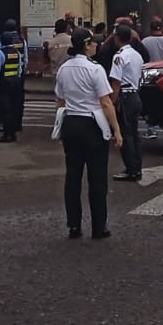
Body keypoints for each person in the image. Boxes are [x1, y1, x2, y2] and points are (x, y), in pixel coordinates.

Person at [54, 28, 121, 240]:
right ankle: (99, 227)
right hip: (92, 124)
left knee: (73, 176)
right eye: (93, 42)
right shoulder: (95, 69)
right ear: (86, 44)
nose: (96, 45)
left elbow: (60, 99)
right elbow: (105, 101)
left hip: (71, 123)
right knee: (97, 178)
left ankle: (74, 225)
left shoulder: (64, 68)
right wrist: (116, 130)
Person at [107, 23, 145, 183]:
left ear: (117, 38)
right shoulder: (137, 55)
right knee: (134, 135)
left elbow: (116, 83)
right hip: (135, 95)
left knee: (125, 135)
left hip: (125, 97)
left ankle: (131, 169)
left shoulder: (119, 56)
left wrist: (112, 103)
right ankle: (137, 167)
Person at [0, 19, 25, 143]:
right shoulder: (19, 47)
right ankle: (15, 128)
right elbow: (22, 63)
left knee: (5, 109)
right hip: (16, 81)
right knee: (15, 106)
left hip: (4, 83)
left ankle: (7, 133)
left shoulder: (0, 53)